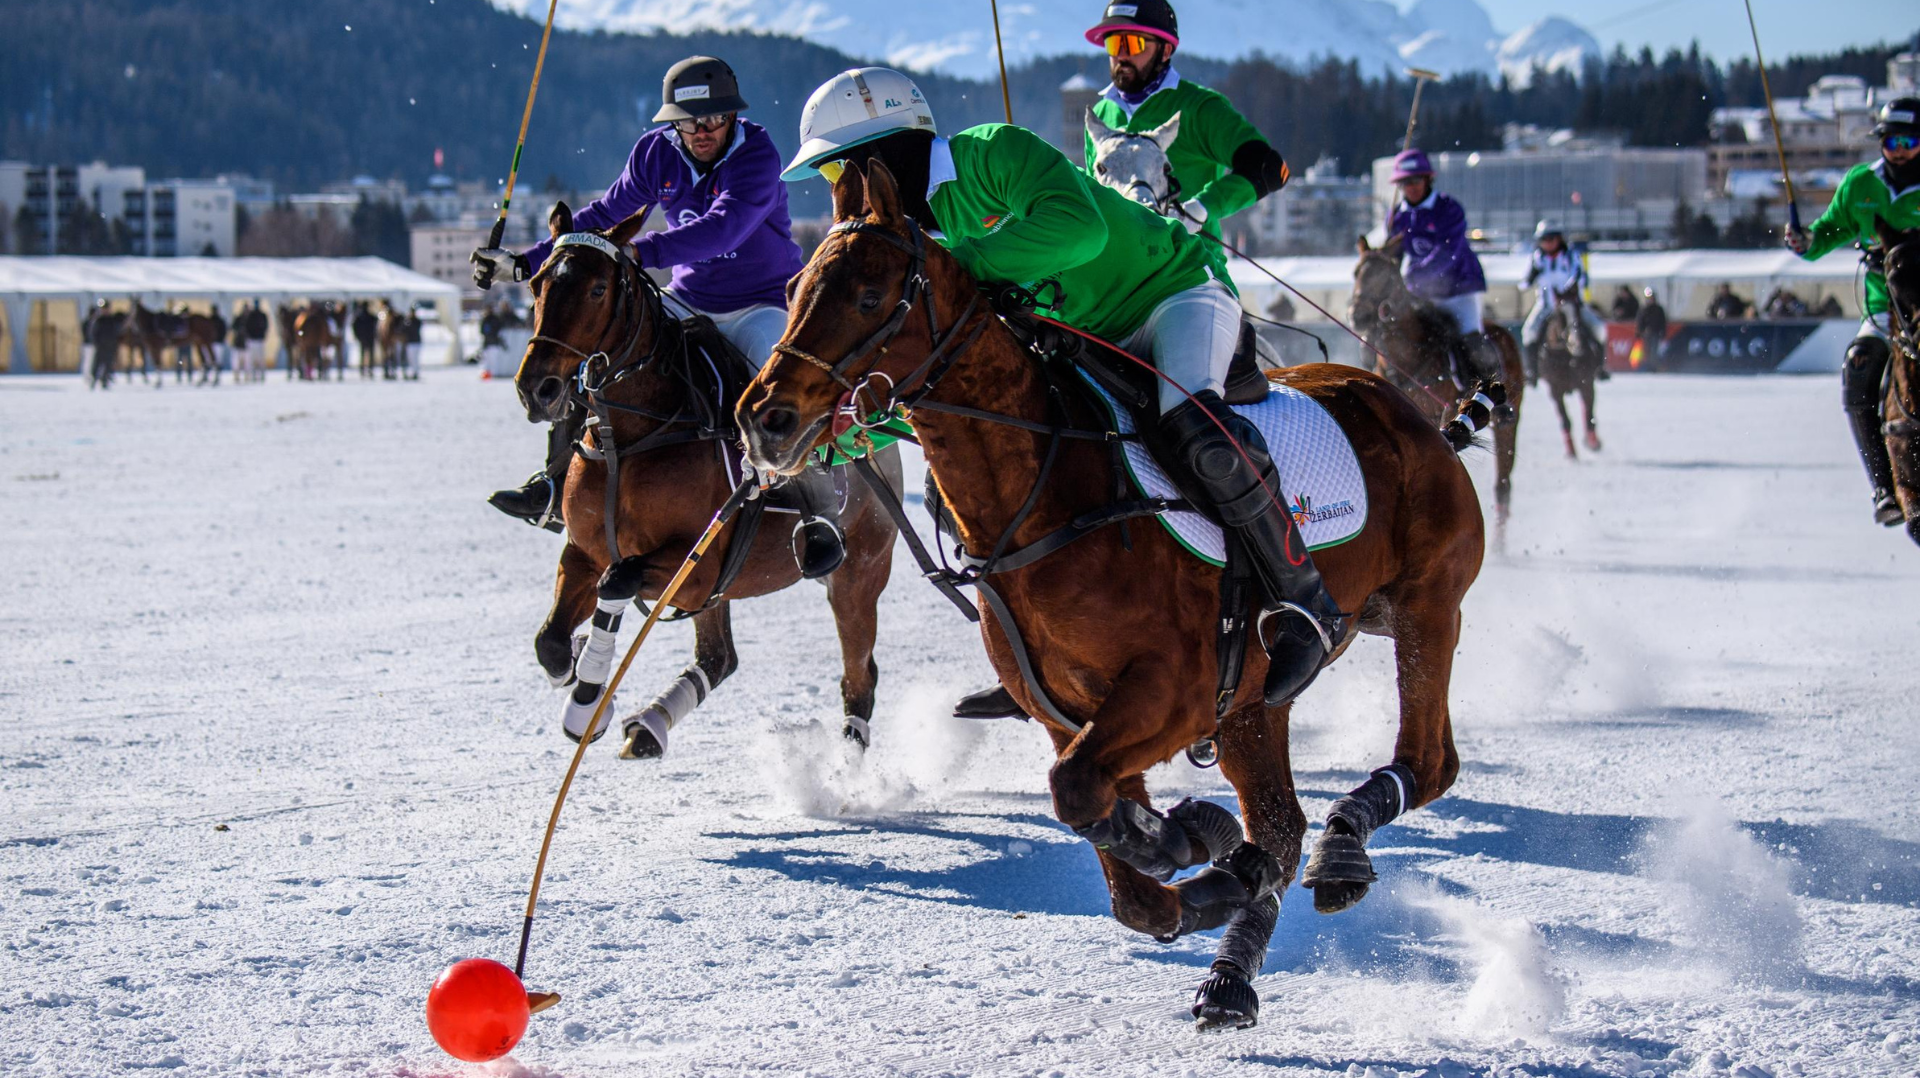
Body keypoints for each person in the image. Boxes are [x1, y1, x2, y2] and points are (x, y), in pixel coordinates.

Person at [783, 66, 1346, 711]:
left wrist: (960, 272)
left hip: (1167, 296)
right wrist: (854, 429)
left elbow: (1084, 230)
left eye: (835, 173)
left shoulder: (992, 154)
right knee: (973, 474)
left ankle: (1306, 603)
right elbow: (955, 397)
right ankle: (1039, 651)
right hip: (1076, 342)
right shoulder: (914, 246)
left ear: (878, 154)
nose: (838, 193)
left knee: (1197, 432)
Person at [469, 55, 842, 573]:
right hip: (688, 299)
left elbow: (724, 227)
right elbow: (602, 218)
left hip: (760, 301)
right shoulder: (655, 154)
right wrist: (521, 262)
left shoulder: (756, 152)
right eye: (688, 122)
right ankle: (556, 482)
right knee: (600, 358)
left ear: (731, 116)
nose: (701, 131)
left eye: (712, 119)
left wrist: (643, 254)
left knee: (783, 387)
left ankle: (815, 508)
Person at [1786, 95, 1920, 526]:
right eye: (1891, 140)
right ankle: (1884, 488)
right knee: (1858, 369)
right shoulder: (1860, 184)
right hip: (1885, 304)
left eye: (1909, 139)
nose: (1899, 148)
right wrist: (1807, 242)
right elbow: (1831, 229)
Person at [1079, 0, 1288, 259]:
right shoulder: (1100, 116)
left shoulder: (1200, 108)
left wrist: (1201, 208)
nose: (1121, 55)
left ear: (1165, 50)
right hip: (1122, 273)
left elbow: (1269, 168)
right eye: (1113, 43)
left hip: (1193, 270)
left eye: (1133, 43)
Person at [1385, 148, 1507, 403]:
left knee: (1472, 342)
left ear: (1428, 179)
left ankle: (1496, 397)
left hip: (1460, 288)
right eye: (1405, 182)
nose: (1411, 187)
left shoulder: (1448, 209)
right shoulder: (1397, 216)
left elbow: (1448, 252)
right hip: (1421, 294)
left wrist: (1415, 276)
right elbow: (1393, 255)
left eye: (1416, 180)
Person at [1519, 220, 1604, 383]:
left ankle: (1600, 368)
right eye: (1544, 240)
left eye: (1551, 239)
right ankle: (1531, 371)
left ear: (1559, 239)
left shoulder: (1571, 255)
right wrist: (1531, 276)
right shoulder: (1537, 258)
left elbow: (1581, 277)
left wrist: (1570, 287)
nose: (1547, 243)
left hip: (1571, 305)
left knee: (1599, 328)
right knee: (1529, 332)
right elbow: (1523, 284)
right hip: (1545, 306)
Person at [1634, 287, 1667, 370]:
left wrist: (1662, 332)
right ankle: (1647, 367)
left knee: (1654, 352)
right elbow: (1640, 322)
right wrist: (1640, 332)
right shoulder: (1643, 309)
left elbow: (1662, 322)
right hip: (1646, 334)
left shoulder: (1659, 309)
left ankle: (1653, 367)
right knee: (1646, 352)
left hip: (1655, 333)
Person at [243, 301, 269, 382]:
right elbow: (246, 327)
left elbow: (265, 326)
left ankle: (261, 374)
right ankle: (253, 374)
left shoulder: (262, 315)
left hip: (259, 339)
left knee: (260, 359)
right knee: (251, 359)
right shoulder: (250, 316)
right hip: (252, 340)